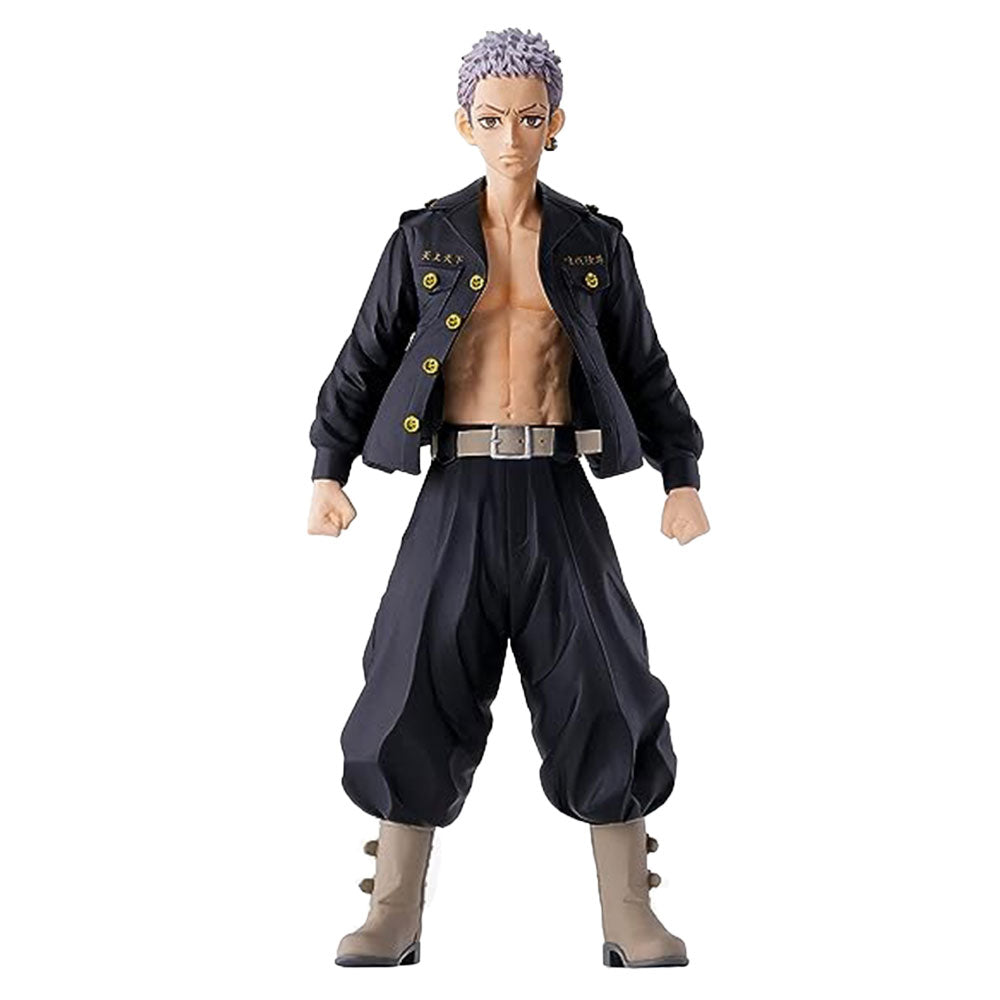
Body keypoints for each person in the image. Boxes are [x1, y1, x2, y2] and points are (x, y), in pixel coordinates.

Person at [307, 27, 709, 968]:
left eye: (530, 118)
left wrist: (681, 475)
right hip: (456, 486)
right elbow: (365, 356)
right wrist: (329, 468)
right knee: (412, 674)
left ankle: (629, 910)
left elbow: (644, 365)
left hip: (559, 489)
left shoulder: (594, 243)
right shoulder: (425, 239)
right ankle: (393, 908)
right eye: (492, 120)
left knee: (605, 675)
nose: (512, 138)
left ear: (556, 121)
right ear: (464, 124)